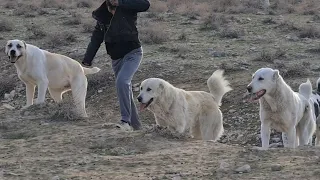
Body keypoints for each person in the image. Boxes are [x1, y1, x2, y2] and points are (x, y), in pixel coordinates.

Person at [82, 0, 150, 131]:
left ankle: (125, 121)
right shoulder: (102, 16)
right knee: (124, 89)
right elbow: (96, 38)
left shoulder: (127, 7)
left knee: (122, 82)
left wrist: (121, 3)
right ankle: (137, 127)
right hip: (116, 58)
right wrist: (87, 59)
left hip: (133, 53)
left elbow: (145, 4)